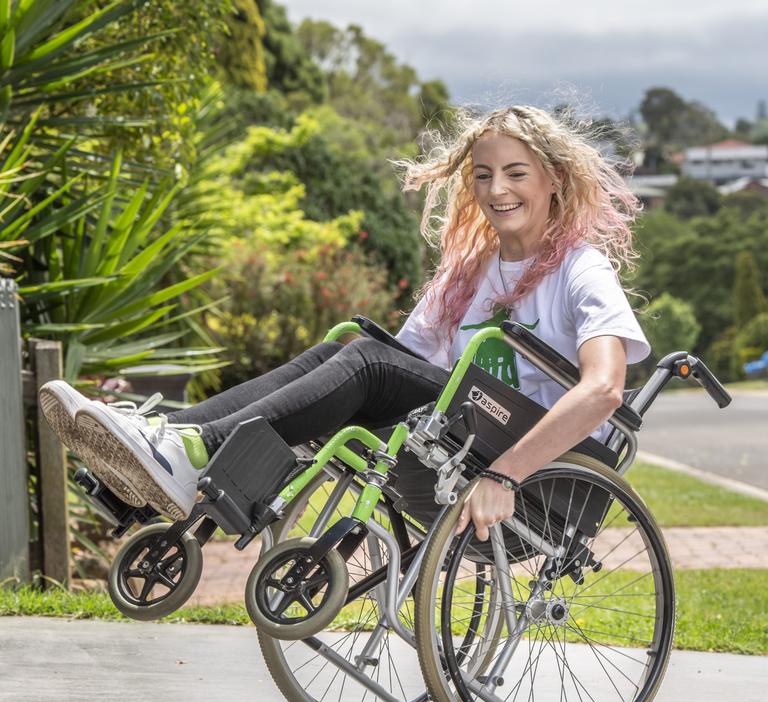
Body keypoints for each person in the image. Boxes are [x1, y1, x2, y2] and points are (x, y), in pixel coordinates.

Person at [40, 105, 649, 542]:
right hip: (457, 437)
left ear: (553, 181)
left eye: (516, 173)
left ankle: (186, 447)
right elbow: (402, 361)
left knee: (367, 362)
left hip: (526, 464)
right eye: (484, 174)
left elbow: (603, 389)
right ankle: (167, 440)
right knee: (350, 351)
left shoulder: (579, 269)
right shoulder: (470, 272)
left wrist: (504, 472)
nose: (497, 189)